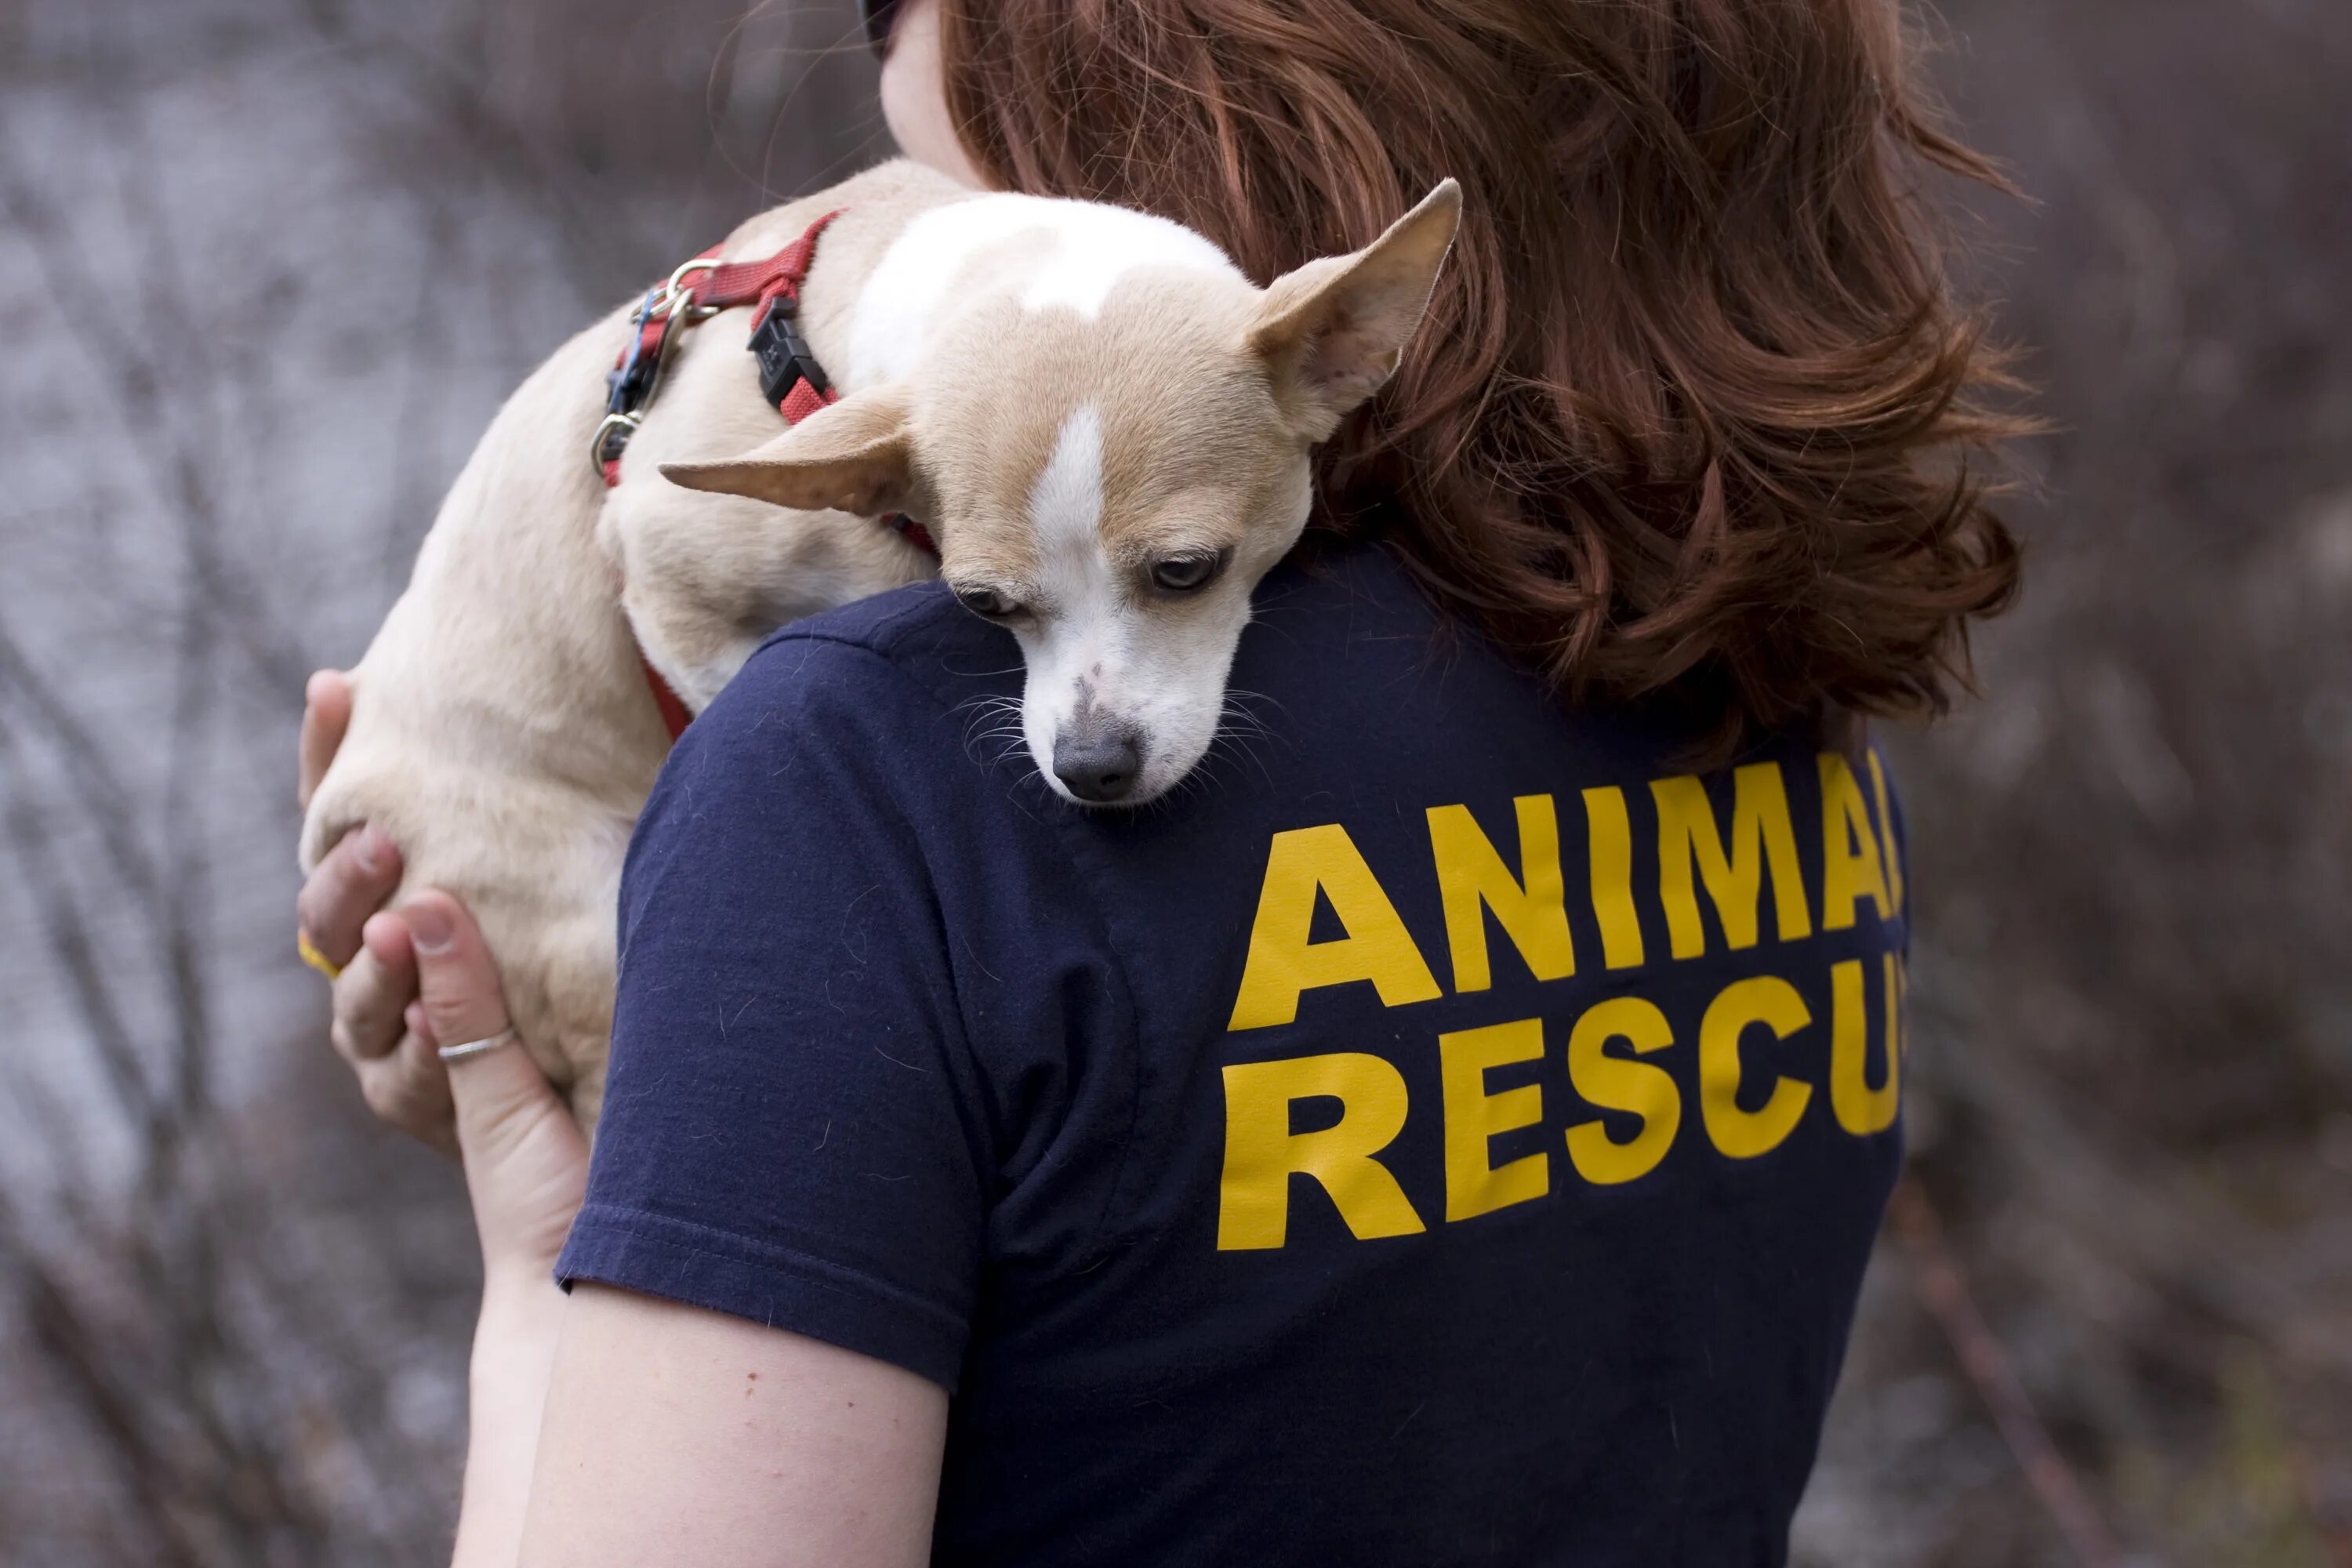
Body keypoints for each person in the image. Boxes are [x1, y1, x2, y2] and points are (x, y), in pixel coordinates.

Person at [295, 0, 2022, 1562]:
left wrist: (557, 1258)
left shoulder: (871, 768)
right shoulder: (1775, 697)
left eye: (952, 182)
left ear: (1174, 109)